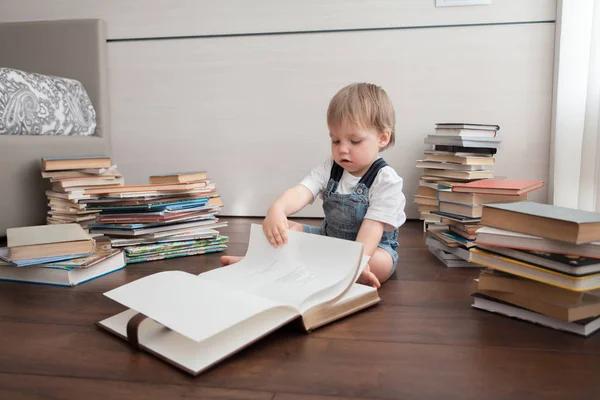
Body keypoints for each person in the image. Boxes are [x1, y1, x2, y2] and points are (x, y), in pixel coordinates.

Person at [221, 83, 406, 288]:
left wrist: (357, 262)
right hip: (329, 240)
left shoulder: (386, 180)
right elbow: (302, 191)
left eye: (354, 141)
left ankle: (324, 268)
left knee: (379, 263)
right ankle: (256, 263)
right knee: (288, 231)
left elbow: (373, 227)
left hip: (369, 248)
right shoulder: (330, 167)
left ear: (383, 138)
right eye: (336, 141)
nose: (343, 149)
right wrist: (278, 209)